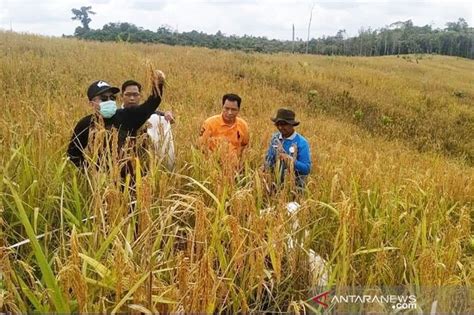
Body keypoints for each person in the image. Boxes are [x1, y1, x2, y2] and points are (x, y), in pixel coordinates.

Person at [67, 71, 165, 174]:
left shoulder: (127, 116)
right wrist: (89, 172)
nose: (109, 100)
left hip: (130, 182)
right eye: (104, 98)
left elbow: (152, 103)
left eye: (112, 97)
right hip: (103, 184)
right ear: (92, 104)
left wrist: (158, 83)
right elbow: (73, 153)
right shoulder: (86, 123)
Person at [121, 79, 175, 170]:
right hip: (124, 165)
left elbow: (170, 120)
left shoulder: (148, 114)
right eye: (128, 94)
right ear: (121, 96)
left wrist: (167, 115)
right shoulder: (116, 115)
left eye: (135, 95)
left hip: (146, 164)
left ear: (140, 96)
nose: (132, 98)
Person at [264, 108, 311, 189]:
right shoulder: (275, 138)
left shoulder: (301, 142)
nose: (280, 127)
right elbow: (269, 159)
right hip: (275, 184)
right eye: (278, 124)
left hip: (294, 186)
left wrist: (290, 161)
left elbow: (306, 169)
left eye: (284, 124)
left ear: (292, 124)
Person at [199, 93, 249, 161]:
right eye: (227, 108)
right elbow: (202, 147)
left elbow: (245, 146)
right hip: (213, 164)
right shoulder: (209, 123)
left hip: (234, 165)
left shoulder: (243, 125)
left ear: (238, 110)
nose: (229, 112)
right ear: (222, 107)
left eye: (233, 109)